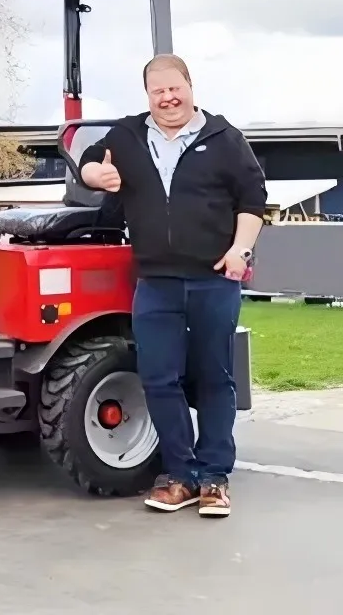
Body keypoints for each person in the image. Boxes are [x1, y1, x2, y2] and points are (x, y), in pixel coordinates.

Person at [79, 54, 266, 518]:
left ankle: (215, 477)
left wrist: (240, 251)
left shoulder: (223, 138)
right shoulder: (127, 135)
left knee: (214, 379)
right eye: (157, 91)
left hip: (212, 280)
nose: (167, 98)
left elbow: (253, 198)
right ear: (147, 95)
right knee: (159, 379)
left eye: (174, 88)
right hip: (156, 282)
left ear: (189, 85)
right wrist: (94, 175)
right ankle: (180, 475)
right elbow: (87, 161)